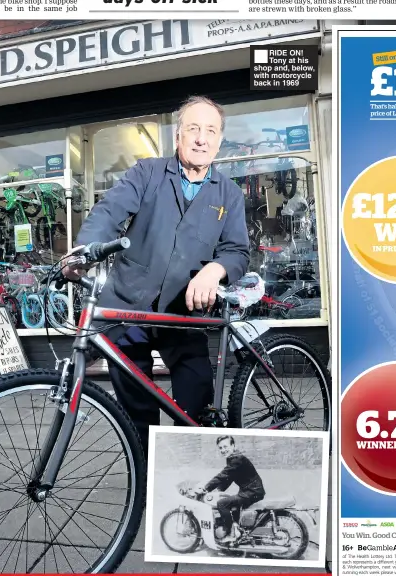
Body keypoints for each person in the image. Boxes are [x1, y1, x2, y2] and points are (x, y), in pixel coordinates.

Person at [62, 96, 250, 448]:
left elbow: (237, 251)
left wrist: (215, 270)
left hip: (184, 312)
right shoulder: (146, 173)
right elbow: (108, 211)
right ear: (178, 136)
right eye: (193, 129)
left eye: (210, 131)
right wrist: (85, 250)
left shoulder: (230, 194)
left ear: (219, 141)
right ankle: (145, 480)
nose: (201, 139)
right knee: (137, 408)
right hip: (129, 305)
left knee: (195, 406)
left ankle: (189, 472)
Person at [197, 435, 266, 544]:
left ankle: (230, 534)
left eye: (225, 447)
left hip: (251, 492)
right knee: (231, 503)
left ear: (233, 446)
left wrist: (206, 488)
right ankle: (237, 528)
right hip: (250, 491)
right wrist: (218, 491)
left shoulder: (236, 459)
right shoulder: (234, 457)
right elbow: (229, 478)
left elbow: (223, 475)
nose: (223, 450)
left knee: (222, 504)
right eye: (220, 448)